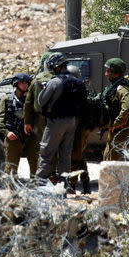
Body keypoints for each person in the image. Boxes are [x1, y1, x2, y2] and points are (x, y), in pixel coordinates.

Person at [35, 52, 87, 190]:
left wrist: (44, 89)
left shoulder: (55, 82)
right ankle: (64, 185)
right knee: (65, 154)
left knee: (46, 153)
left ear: (57, 66)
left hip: (55, 122)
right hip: (71, 121)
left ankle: (39, 183)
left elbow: (41, 101)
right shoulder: (78, 82)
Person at [0, 73, 32, 179]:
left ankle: (35, 188)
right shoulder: (7, 99)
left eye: (27, 83)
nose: (25, 85)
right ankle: (13, 191)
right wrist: (7, 133)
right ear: (17, 84)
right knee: (11, 168)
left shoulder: (31, 99)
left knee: (35, 167)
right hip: (13, 137)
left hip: (30, 137)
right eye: (22, 83)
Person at [23, 52, 53, 177]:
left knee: (37, 148)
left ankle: (36, 176)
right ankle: (53, 177)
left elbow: (28, 104)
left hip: (39, 119)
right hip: (57, 119)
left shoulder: (37, 80)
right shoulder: (60, 79)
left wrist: (27, 122)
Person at [101, 58, 129, 161]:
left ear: (115, 73)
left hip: (120, 129)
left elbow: (128, 108)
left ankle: (116, 177)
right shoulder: (115, 87)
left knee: (115, 158)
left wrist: (117, 123)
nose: (106, 74)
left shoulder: (122, 89)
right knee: (108, 154)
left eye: (108, 71)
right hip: (115, 129)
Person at [67, 65, 91, 194]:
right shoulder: (81, 88)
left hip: (78, 129)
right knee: (80, 157)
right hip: (82, 128)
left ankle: (72, 185)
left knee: (75, 157)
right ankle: (86, 186)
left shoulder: (75, 90)